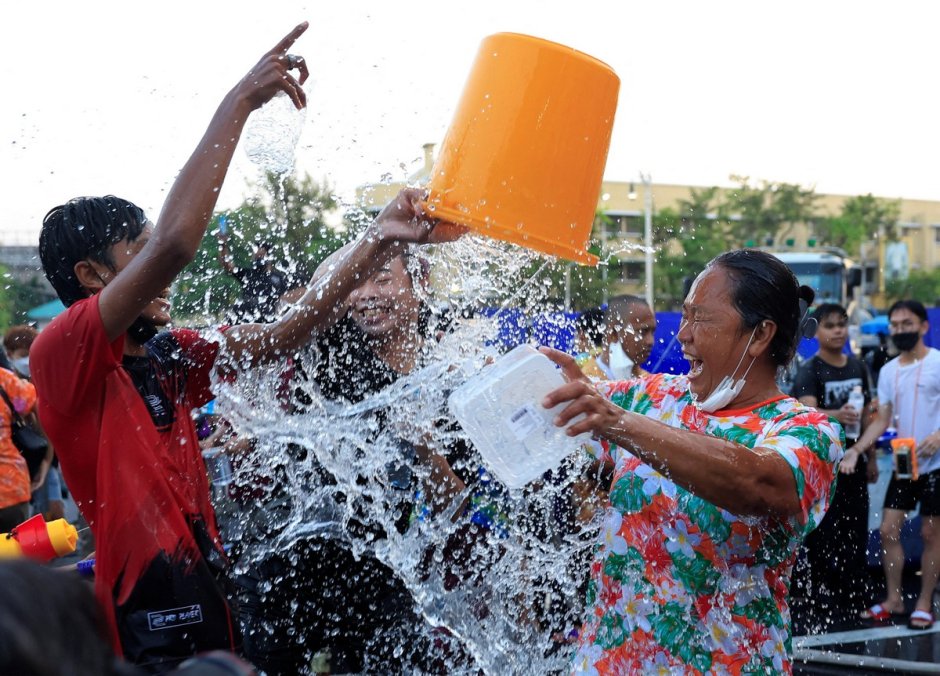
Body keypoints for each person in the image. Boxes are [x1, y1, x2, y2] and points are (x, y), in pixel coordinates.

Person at [31, 22, 458, 670]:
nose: (160, 270)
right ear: (93, 277)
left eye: (149, 247)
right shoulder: (63, 356)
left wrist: (378, 238)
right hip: (143, 628)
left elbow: (288, 332)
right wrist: (239, 103)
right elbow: (178, 241)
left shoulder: (170, 355)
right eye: (136, 252)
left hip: (215, 607)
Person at [541, 249, 843, 674]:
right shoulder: (655, 397)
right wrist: (411, 248)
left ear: (759, 336)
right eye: (683, 316)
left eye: (700, 318)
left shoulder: (808, 430)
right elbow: (548, 406)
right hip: (610, 663)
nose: (682, 334)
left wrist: (622, 424)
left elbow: (758, 483)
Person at [231, 249, 475, 674]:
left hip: (380, 573)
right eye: (356, 283)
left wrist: (425, 446)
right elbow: (319, 290)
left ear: (418, 283)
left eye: (381, 279)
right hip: (288, 569)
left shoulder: (447, 375)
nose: (366, 295)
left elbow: (454, 505)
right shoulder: (333, 345)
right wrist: (382, 234)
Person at [849, 299, 940, 630]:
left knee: (932, 533)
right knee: (888, 530)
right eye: (896, 325)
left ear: (923, 326)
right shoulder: (887, 371)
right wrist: (859, 448)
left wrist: (938, 436)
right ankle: (894, 598)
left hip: (937, 465)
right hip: (904, 461)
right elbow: (882, 418)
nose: (901, 330)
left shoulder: (938, 363)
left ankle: (925, 602)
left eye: (907, 324)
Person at [791, 303, 876, 621]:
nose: (838, 331)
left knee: (856, 528)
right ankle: (819, 597)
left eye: (842, 325)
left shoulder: (858, 366)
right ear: (817, 332)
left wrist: (870, 457)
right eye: (831, 326)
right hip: (823, 465)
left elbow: (868, 414)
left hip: (854, 460)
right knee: (823, 531)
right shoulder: (810, 370)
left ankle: (852, 594)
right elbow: (806, 413)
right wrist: (836, 416)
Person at [3, 324, 65, 521]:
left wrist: (48, 462)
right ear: (10, 354)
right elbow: (44, 424)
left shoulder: (38, 379)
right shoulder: (9, 383)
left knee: (52, 513)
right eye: (23, 354)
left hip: (33, 465)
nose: (27, 360)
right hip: (17, 478)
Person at [577, 294, 656, 381]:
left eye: (652, 332)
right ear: (614, 333)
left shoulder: (650, 382)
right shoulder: (585, 383)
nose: (651, 341)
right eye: (642, 332)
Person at [0, 364, 38, 532]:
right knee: (16, 553)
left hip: (10, 492)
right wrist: (47, 460)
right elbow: (37, 407)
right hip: (10, 489)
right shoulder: (5, 380)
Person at [217, 236, 289, 322]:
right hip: (246, 318)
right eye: (256, 256)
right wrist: (223, 245)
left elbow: (286, 299)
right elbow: (227, 265)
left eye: (260, 256)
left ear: (269, 257)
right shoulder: (248, 274)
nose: (257, 257)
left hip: (266, 320)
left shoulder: (278, 278)